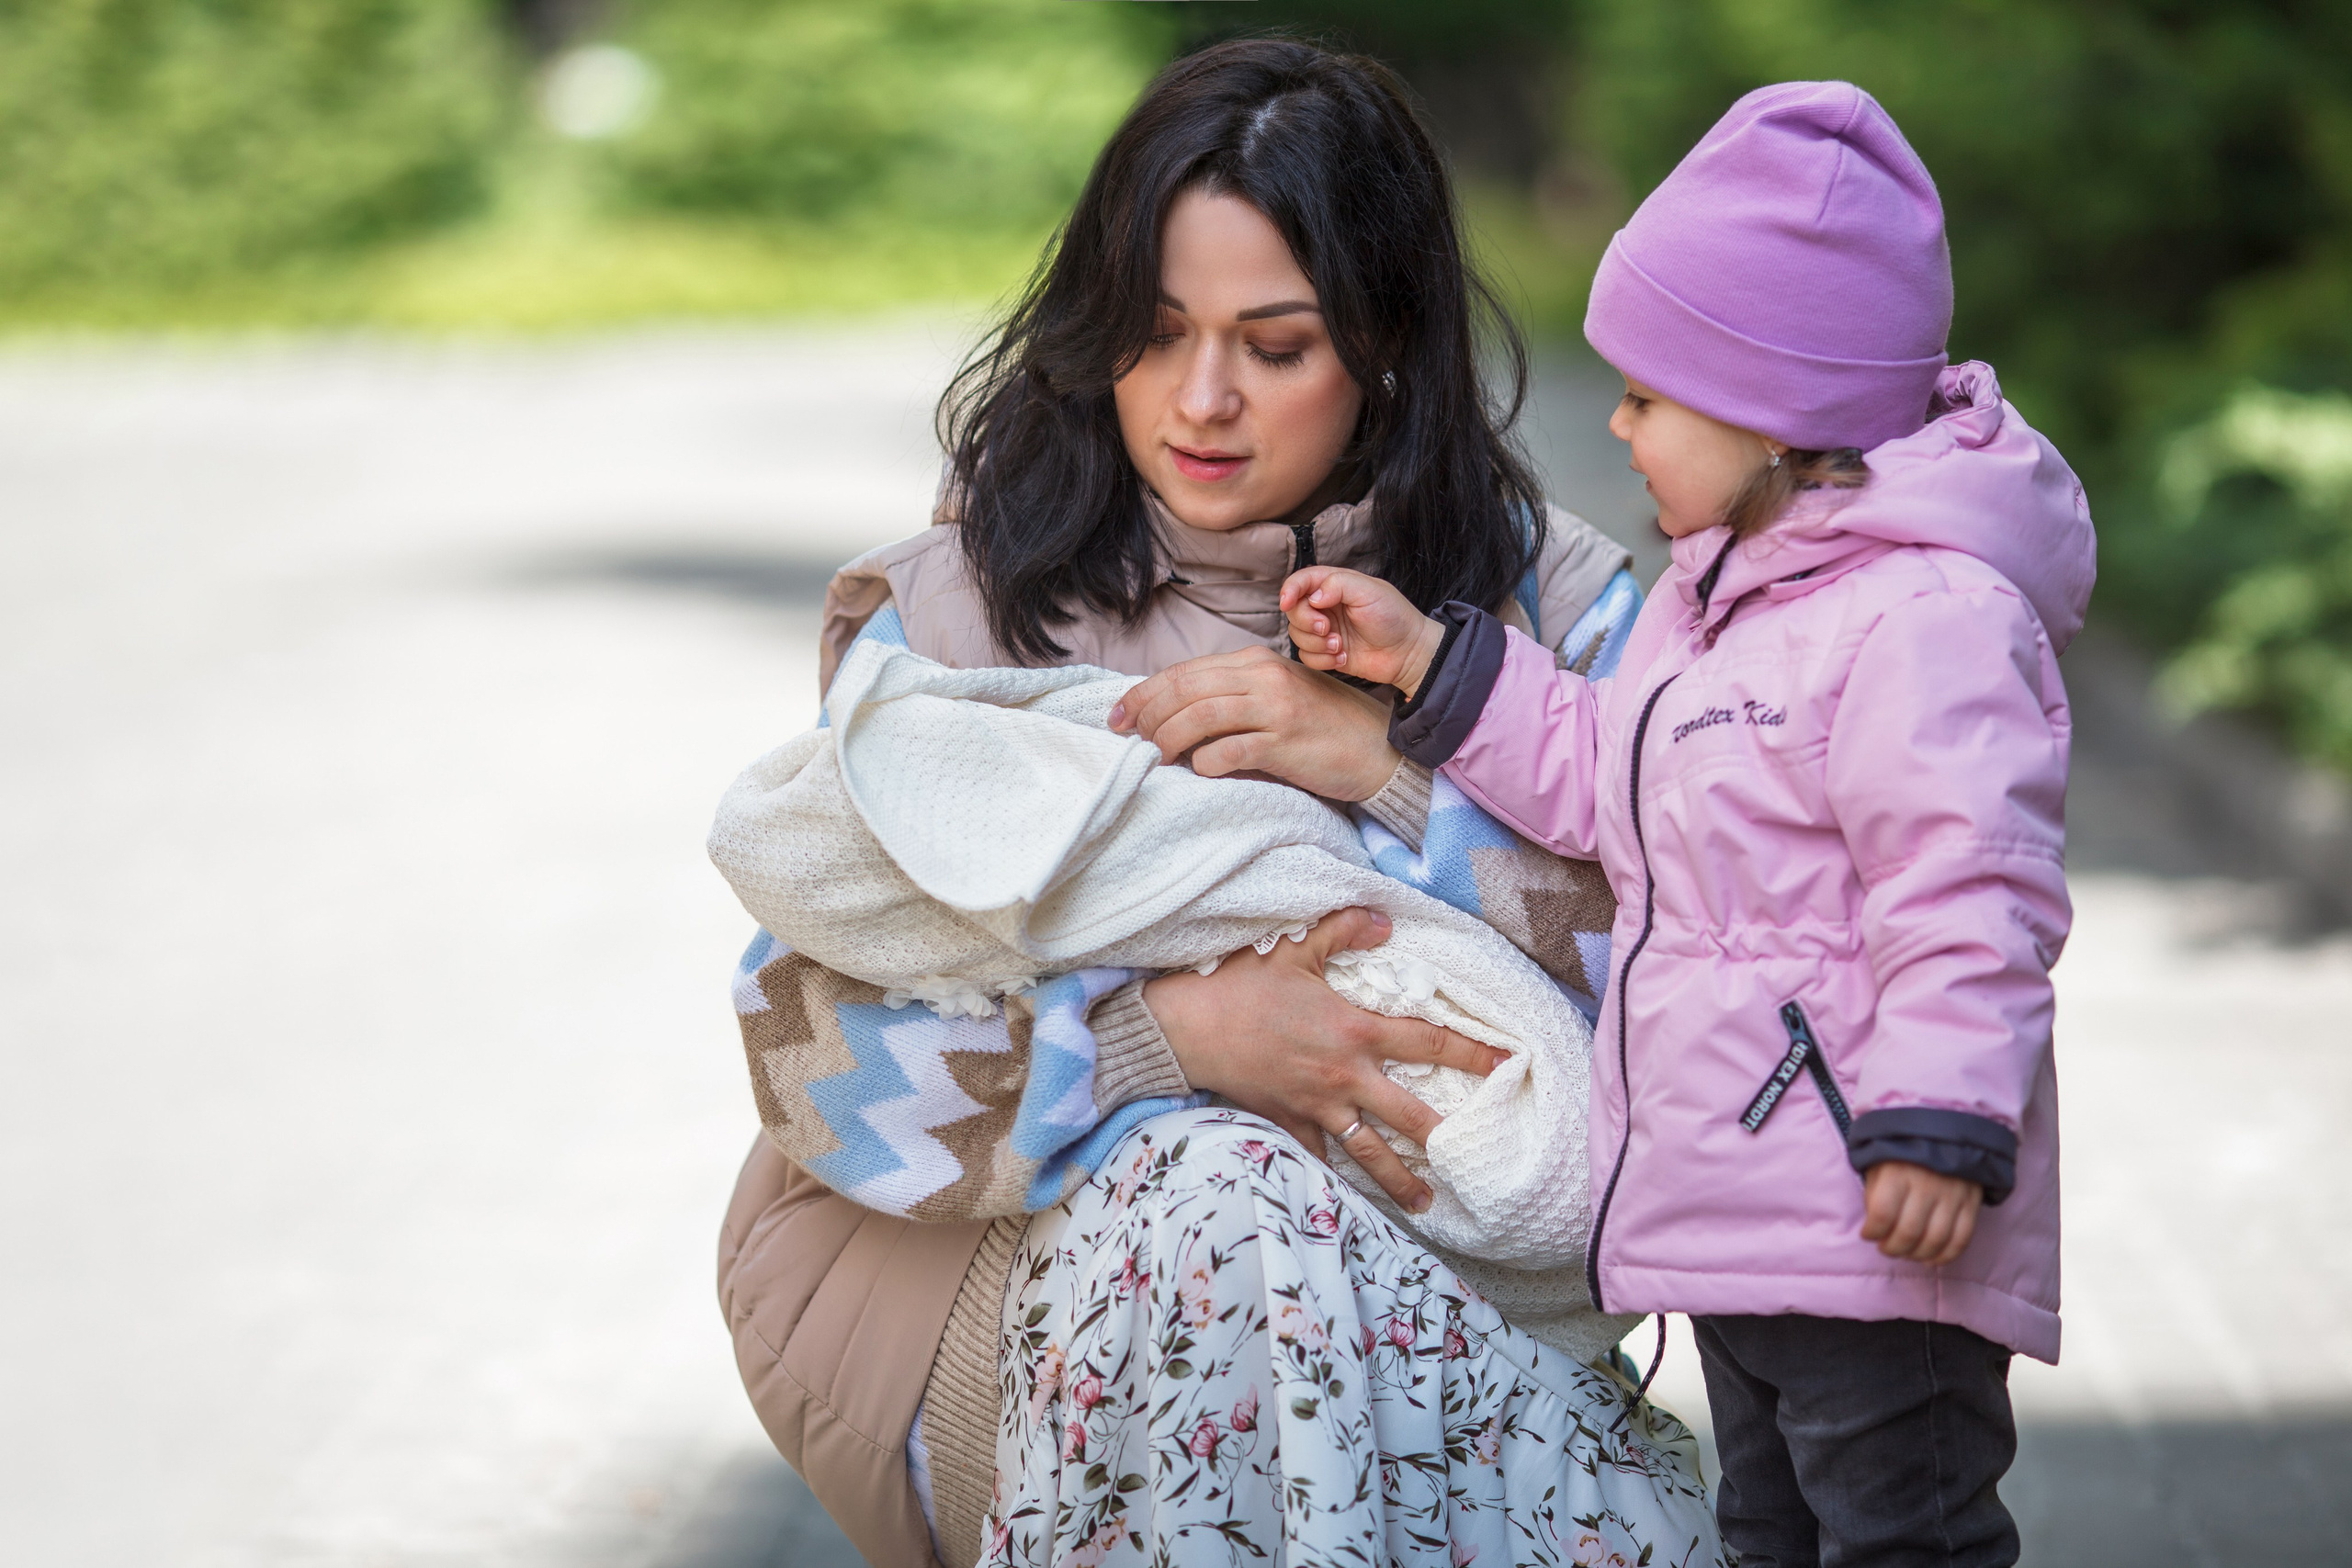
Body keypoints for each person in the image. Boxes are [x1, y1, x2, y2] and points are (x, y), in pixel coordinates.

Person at [717, 38, 1722, 1568]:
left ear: (1386, 340)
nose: (1200, 401)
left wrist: (1387, 772)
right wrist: (1167, 1043)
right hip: (958, 1287)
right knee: (1222, 1195)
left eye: (1275, 346)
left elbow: (1711, 976)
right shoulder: (958, 610)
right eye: (1156, 331)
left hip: (1450, 1304)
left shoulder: (1555, 611)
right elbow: (810, 1064)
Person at [1239, 80, 2091, 1568]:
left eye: (1647, 393)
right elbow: (1604, 776)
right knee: (1766, 1529)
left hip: (1872, 1204)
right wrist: (1426, 663)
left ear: (1772, 410)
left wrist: (1941, 1124)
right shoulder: (1716, 604)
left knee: (1905, 1534)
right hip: (1739, 1206)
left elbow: (1971, 885)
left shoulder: (1923, 619)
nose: (1619, 422)